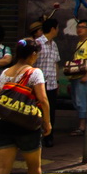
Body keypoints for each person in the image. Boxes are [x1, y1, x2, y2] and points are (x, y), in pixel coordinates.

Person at [0, 38, 54, 174]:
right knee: (33, 165)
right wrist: (47, 122)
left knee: (3, 167)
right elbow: (42, 99)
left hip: (5, 124)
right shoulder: (35, 73)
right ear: (33, 54)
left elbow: (1, 98)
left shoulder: (5, 73)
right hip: (27, 125)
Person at [33, 18, 61, 148]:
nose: (58, 30)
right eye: (57, 28)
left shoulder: (54, 44)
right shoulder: (37, 43)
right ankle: (35, 136)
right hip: (39, 83)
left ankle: (49, 136)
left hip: (51, 83)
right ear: (53, 29)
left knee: (51, 111)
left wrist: (57, 80)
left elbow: (55, 63)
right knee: (37, 111)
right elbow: (31, 63)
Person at [68, 20, 87, 136]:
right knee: (77, 100)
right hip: (76, 76)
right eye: (78, 27)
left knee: (82, 101)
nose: (79, 29)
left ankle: (83, 126)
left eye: (83, 27)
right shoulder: (79, 42)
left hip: (84, 77)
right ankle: (83, 124)